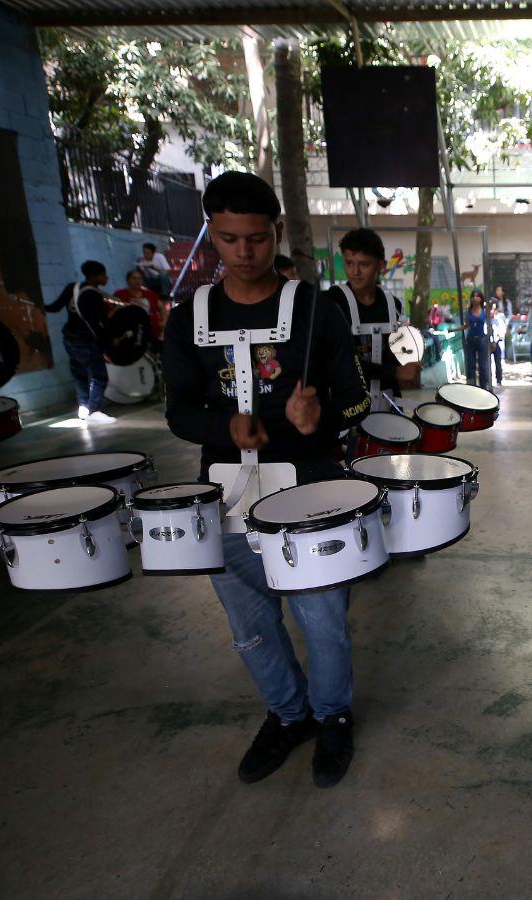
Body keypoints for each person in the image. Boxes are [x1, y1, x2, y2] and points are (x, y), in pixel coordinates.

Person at [162, 171, 371, 789]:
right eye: (229, 239)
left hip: (311, 493)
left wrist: (321, 416)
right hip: (225, 496)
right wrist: (225, 425)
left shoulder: (316, 310)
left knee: (322, 620)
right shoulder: (188, 317)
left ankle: (331, 716)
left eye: (256, 238)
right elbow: (177, 410)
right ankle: (287, 714)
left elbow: (358, 398)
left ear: (276, 232)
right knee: (251, 626)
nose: (244, 252)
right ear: (212, 234)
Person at [325, 228, 416, 407]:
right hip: (348, 407)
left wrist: (407, 363)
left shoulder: (392, 304)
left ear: (381, 266)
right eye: (349, 263)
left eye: (364, 264)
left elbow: (391, 354)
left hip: (387, 401)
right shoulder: (332, 302)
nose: (355, 272)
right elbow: (339, 363)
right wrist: (395, 372)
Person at [45, 259, 117, 424]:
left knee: (79, 373)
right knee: (99, 375)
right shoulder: (94, 294)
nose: (106, 278)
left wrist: (39, 305)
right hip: (87, 341)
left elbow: (54, 307)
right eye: (103, 275)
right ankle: (94, 411)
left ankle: (83, 407)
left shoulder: (72, 287)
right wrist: (108, 343)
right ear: (95, 276)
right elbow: (99, 322)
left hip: (70, 339)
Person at [113, 269, 167, 346]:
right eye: (134, 278)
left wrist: (164, 321)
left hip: (153, 331)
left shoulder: (150, 294)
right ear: (127, 280)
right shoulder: (120, 294)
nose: (137, 281)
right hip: (130, 333)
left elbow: (162, 308)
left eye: (139, 279)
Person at [457, 289, 491, 390]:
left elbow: (490, 326)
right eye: (473, 296)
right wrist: (455, 329)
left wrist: (492, 340)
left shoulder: (485, 311)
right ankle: (471, 388)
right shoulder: (468, 312)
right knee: (470, 366)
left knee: (483, 366)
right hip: (470, 340)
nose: (475, 298)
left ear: (481, 299)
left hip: (482, 340)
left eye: (477, 296)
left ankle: (483, 387)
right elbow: (466, 325)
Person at [488, 300, 507, 387]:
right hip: (487, 344)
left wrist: (496, 340)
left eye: (494, 309)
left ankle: (499, 380)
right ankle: (488, 380)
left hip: (497, 343)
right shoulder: (484, 321)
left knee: (498, 363)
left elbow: (502, 333)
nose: (493, 311)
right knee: (486, 364)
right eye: (491, 309)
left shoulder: (498, 320)